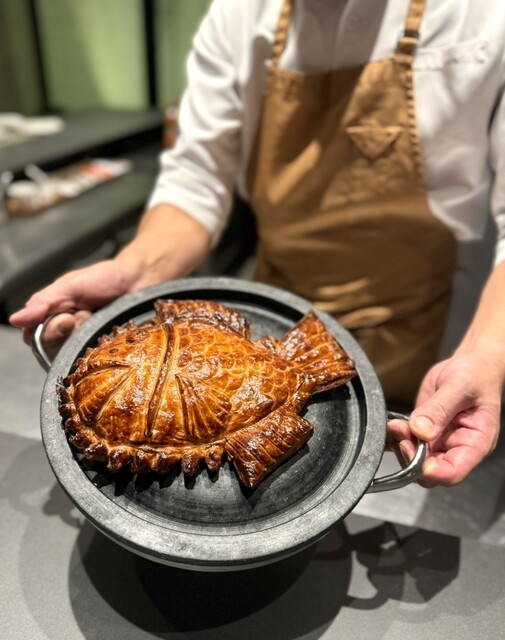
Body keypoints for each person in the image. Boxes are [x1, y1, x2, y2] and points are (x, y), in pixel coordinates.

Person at [10, 0, 505, 488]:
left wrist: (487, 353)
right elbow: (198, 176)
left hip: (406, 332)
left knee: (362, 459)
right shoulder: (239, 13)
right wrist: (136, 269)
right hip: (270, 307)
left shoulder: (482, 15)